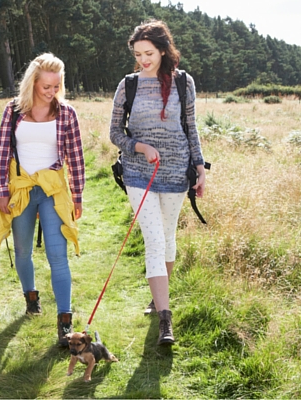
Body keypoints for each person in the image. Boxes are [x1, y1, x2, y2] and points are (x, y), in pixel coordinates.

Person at [109, 20, 206, 346]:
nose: (143, 60)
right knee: (153, 239)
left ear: (163, 50)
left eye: (148, 53)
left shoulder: (184, 83)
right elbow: (115, 134)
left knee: (166, 236)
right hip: (139, 174)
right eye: (138, 54)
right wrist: (140, 147)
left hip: (177, 173)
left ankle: (157, 297)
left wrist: (199, 167)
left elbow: (191, 129)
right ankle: (166, 320)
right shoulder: (129, 85)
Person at [0, 53, 85, 347]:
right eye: (46, 86)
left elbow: (76, 157)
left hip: (53, 190)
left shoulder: (66, 113)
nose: (52, 92)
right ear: (32, 83)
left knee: (58, 254)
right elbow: (2, 151)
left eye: (56, 86)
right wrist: (2, 192)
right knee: (22, 250)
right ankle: (31, 297)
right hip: (21, 189)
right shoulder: (14, 111)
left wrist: (77, 196)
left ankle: (65, 324)